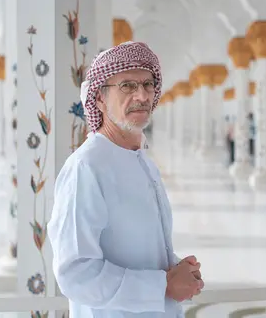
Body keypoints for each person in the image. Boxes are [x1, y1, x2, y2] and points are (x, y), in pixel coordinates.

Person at [47, 42, 203, 317]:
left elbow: (136, 249)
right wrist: (163, 286)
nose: (141, 95)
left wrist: (178, 269)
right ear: (100, 99)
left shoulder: (142, 162)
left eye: (147, 84)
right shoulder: (88, 167)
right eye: (127, 86)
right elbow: (76, 273)